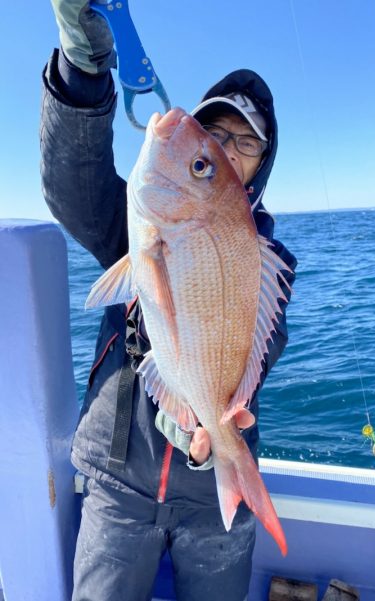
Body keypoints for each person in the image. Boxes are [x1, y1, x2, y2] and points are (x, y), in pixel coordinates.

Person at [41, 2, 297, 600]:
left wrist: (216, 427)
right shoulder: (134, 223)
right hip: (118, 485)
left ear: (261, 166)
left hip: (210, 497)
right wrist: (84, 70)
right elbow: (71, 185)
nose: (229, 149)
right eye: (215, 137)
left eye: (247, 143)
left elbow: (258, 348)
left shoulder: (269, 262)